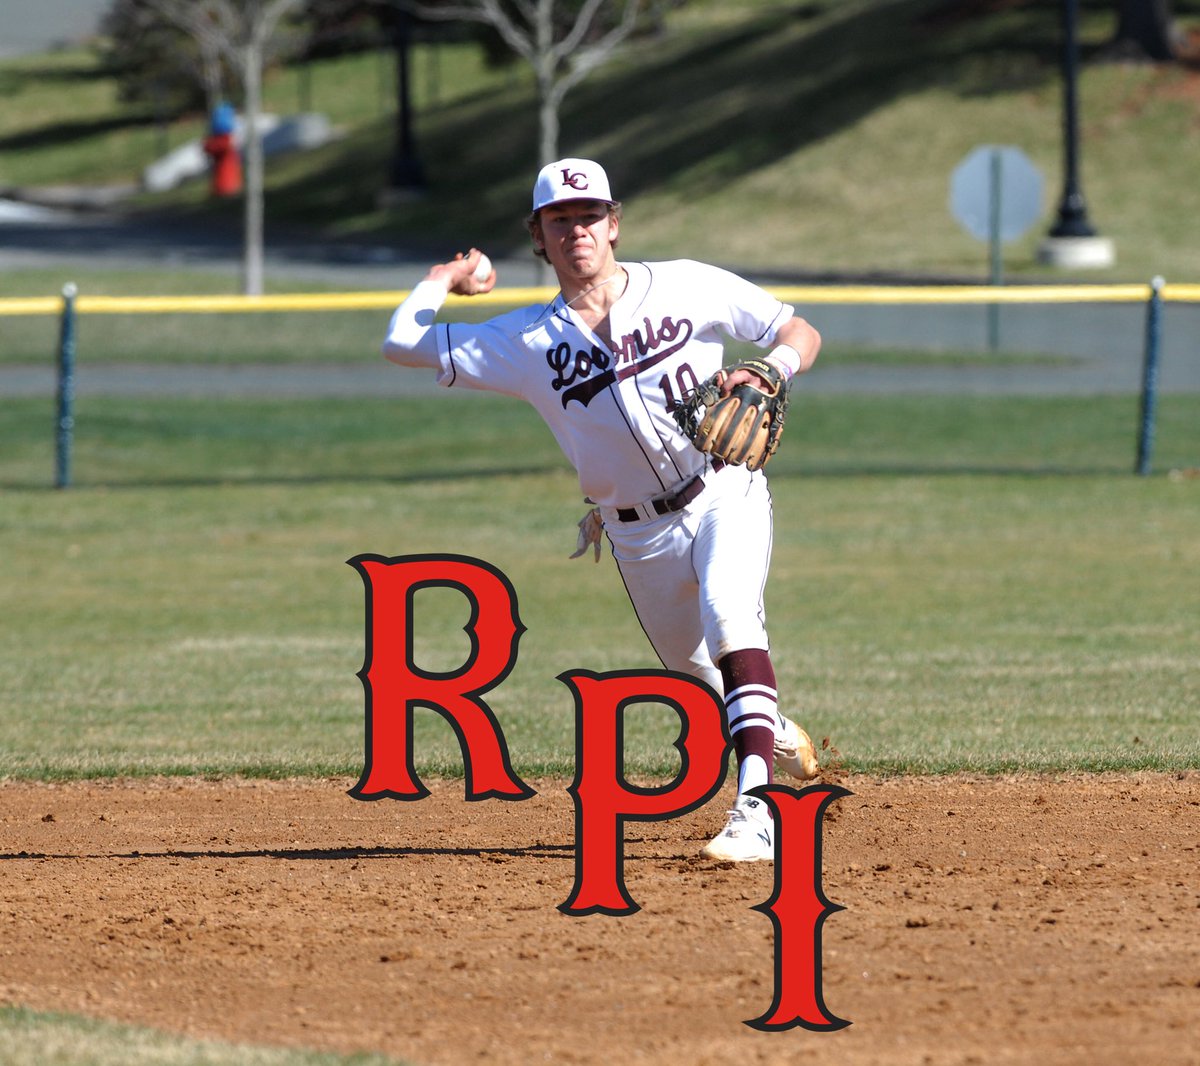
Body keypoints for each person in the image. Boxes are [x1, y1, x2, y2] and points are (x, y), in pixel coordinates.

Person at [382, 158, 822, 862]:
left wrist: (773, 368)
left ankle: (756, 810)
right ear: (539, 235)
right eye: (561, 219)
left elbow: (797, 329)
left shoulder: (686, 283)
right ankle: (769, 727)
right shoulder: (526, 340)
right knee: (698, 675)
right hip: (634, 533)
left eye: (590, 216)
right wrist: (441, 281)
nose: (578, 230)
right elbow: (401, 343)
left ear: (613, 224)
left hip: (722, 490)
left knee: (729, 613)